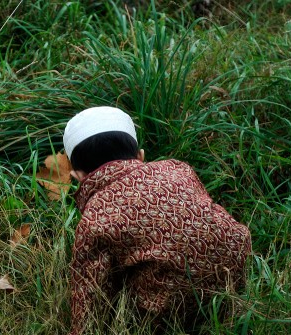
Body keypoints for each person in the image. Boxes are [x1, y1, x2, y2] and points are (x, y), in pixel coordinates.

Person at [63, 106, 251, 334]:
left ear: (79, 177)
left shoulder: (95, 219)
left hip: (175, 310)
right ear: (140, 156)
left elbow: (89, 296)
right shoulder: (178, 169)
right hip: (238, 274)